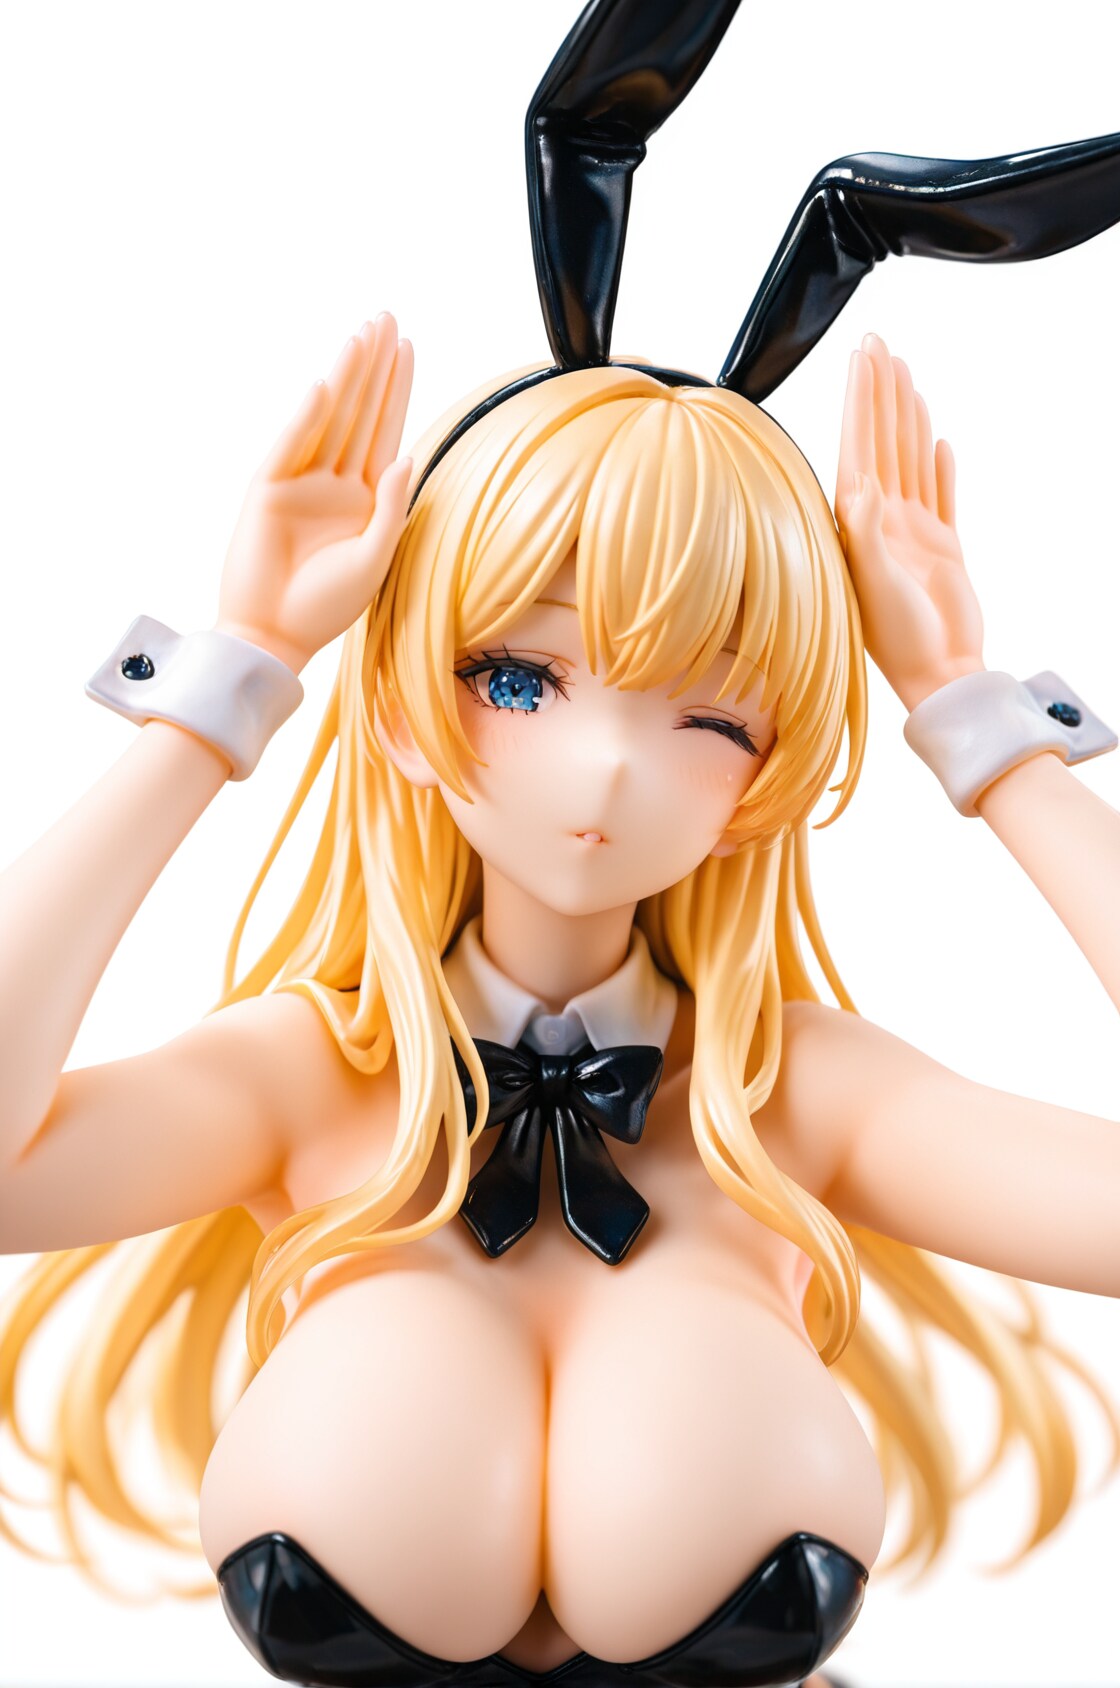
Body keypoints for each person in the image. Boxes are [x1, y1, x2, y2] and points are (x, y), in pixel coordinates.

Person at [2, 303, 1118, 1688]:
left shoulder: (792, 1098)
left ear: (762, 786)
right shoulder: (313, 1080)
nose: (607, 767)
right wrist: (232, 678)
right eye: (520, 678)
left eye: (711, 715)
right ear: (402, 708)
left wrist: (977, 722)